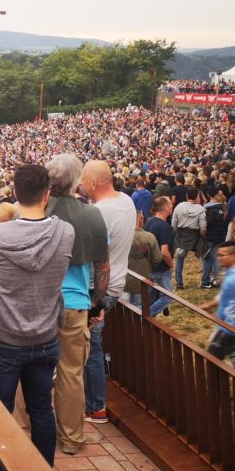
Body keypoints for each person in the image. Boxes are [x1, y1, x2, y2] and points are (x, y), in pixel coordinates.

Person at [0, 164, 74, 467]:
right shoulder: (65, 233)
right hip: (44, 337)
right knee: (41, 410)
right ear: (47, 194)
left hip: (3, 337)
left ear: (15, 194)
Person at [46, 155, 109, 455]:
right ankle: (70, 437)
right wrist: (98, 303)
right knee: (71, 373)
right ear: (75, 181)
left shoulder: (37, 209)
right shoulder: (91, 214)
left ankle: (21, 434)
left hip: (40, 303)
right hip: (75, 303)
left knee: (28, 367)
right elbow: (102, 265)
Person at [80, 160, 136, 425]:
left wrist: (96, 301)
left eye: (82, 181)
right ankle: (90, 401)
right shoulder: (126, 200)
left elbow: (91, 256)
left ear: (93, 183)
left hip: (97, 289)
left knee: (91, 347)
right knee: (91, 344)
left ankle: (96, 407)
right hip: (115, 284)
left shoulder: (100, 212)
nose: (80, 185)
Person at [144, 196, 176, 317]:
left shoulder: (149, 222)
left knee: (151, 297)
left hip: (150, 266)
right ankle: (146, 317)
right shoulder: (165, 227)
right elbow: (164, 252)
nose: (172, 206)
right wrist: (171, 265)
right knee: (166, 297)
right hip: (161, 268)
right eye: (170, 204)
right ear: (166, 208)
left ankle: (146, 322)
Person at [123, 210, 161, 308]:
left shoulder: (120, 236)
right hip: (141, 281)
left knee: (122, 310)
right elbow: (157, 259)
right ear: (141, 219)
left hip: (122, 281)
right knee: (139, 309)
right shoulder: (150, 237)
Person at [171, 187, 207, 289]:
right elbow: (203, 227)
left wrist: (177, 233)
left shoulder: (179, 206)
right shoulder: (200, 209)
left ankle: (179, 283)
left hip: (182, 234)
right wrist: (202, 237)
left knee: (180, 259)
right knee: (204, 257)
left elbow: (173, 224)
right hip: (195, 235)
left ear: (187, 195)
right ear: (196, 197)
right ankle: (204, 281)